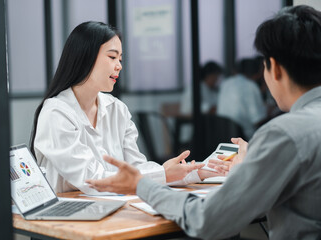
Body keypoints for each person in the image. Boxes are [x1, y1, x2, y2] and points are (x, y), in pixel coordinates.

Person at [87, 5, 321, 239]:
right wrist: (250, 169)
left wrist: (140, 184)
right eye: (112, 57)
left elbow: (207, 220)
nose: (118, 65)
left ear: (275, 69)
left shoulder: (284, 134)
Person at [30, 21, 223, 195]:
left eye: (120, 59)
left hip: (111, 208)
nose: (119, 66)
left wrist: (195, 172)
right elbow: (93, 180)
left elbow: (136, 168)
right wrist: (163, 174)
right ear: (85, 57)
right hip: (66, 222)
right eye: (112, 57)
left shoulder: (117, 109)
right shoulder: (57, 113)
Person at [217, 57, 267, 139]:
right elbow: (258, 119)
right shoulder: (251, 86)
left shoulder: (225, 83)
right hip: (244, 137)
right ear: (256, 74)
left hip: (223, 133)